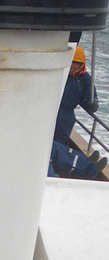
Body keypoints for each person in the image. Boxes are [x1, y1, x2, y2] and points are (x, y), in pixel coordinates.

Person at [49, 45, 104, 179]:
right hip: (51, 111)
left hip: (66, 117)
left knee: (59, 146)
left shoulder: (84, 78)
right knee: (51, 147)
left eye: (77, 63)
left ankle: (80, 163)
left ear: (82, 64)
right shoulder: (59, 72)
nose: (73, 66)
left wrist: (92, 104)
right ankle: (80, 166)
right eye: (72, 62)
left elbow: (90, 98)